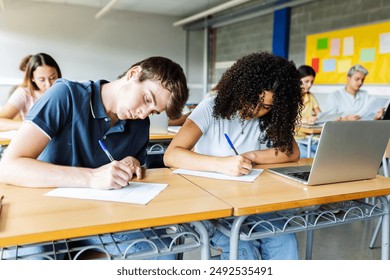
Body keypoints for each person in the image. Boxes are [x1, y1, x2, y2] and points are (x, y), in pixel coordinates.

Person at [0, 56, 189, 259]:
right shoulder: (66, 95)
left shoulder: (139, 124)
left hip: (101, 217)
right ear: (133, 74)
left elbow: (136, 173)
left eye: (153, 112)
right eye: (147, 99)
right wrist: (91, 177)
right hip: (45, 212)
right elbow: (8, 167)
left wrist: (132, 164)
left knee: (165, 252)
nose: (143, 114)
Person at [164, 51, 303, 260]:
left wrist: (252, 156)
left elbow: (291, 152)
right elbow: (171, 155)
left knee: (285, 241)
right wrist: (221, 164)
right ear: (241, 87)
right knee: (243, 250)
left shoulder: (271, 118)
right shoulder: (210, 107)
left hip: (251, 201)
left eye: (266, 106)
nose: (255, 110)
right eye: (252, 99)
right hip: (211, 202)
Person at [0, 53, 62, 130]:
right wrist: (30, 125)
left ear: (58, 74)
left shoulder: (66, 92)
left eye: (52, 77)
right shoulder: (24, 93)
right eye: (41, 80)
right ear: (32, 78)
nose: (48, 84)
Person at [296, 65, 321, 158]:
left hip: (308, 138)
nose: (310, 85)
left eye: (312, 82)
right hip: (294, 140)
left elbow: (320, 115)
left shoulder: (310, 96)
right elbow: (286, 121)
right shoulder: (289, 98)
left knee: (328, 156)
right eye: (306, 81)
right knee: (315, 158)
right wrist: (305, 120)